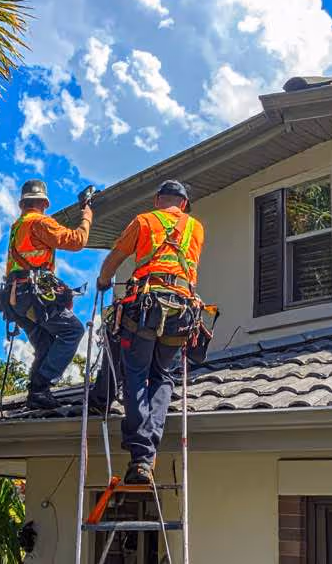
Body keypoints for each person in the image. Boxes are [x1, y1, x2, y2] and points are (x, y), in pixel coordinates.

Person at [95, 180, 204, 484]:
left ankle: (141, 456)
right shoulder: (196, 227)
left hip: (145, 308)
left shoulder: (144, 221)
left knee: (135, 374)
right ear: (183, 204)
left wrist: (104, 281)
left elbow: (115, 257)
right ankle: (147, 452)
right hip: (181, 310)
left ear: (158, 200)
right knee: (163, 376)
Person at [6, 179, 93, 410]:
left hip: (16, 297)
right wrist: (86, 215)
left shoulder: (18, 225)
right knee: (73, 331)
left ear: (21, 204)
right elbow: (77, 241)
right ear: (44, 203)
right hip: (33, 295)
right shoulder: (40, 222)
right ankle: (40, 386)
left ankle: (37, 394)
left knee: (45, 343)